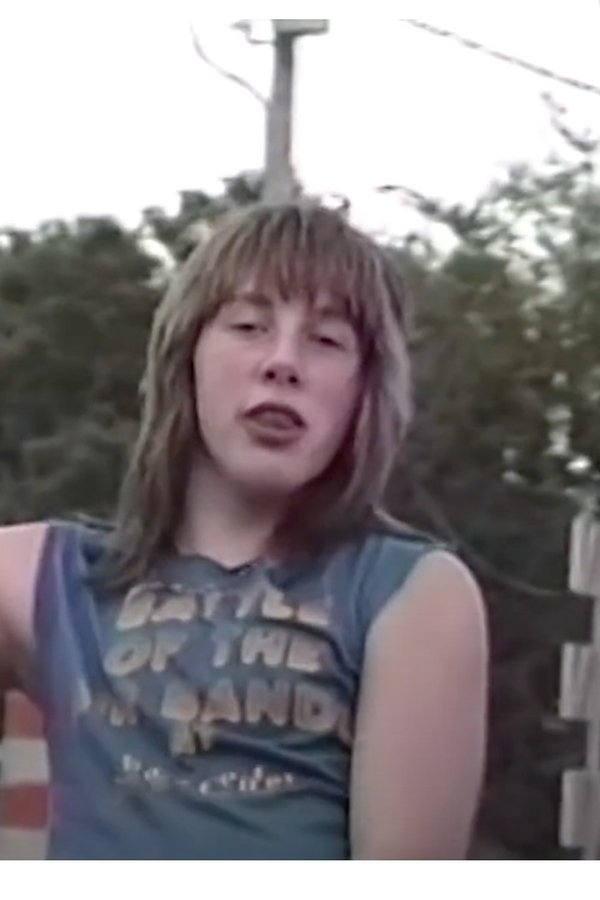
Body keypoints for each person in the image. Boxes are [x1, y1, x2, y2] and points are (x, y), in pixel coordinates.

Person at [0, 202, 488, 860]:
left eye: (326, 340)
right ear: (187, 360)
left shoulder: (410, 595)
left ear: (363, 392)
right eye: (250, 325)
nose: (283, 362)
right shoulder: (43, 577)